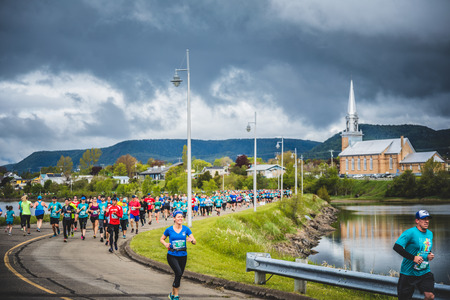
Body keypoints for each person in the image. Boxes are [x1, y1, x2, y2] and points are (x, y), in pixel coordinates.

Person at [393, 209, 435, 300]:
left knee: (430, 296)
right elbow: (396, 247)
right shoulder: (410, 233)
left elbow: (425, 248)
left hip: (424, 271)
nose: (427, 221)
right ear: (417, 220)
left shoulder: (430, 234)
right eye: (423, 219)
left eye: (428, 219)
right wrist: (413, 258)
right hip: (408, 273)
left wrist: (429, 254)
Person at [160, 210, 196, 300]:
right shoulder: (169, 229)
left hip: (183, 255)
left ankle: (172, 293)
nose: (180, 218)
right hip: (172, 255)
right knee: (178, 273)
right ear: (174, 218)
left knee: (178, 275)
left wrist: (191, 240)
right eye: (178, 217)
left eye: (181, 217)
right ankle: (176, 296)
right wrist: (165, 244)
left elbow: (194, 241)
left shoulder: (186, 229)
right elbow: (162, 239)